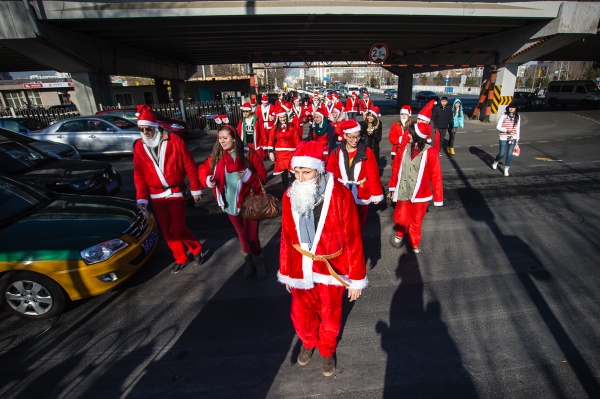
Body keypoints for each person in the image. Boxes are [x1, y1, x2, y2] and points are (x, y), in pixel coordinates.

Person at [278, 140, 367, 377]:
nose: (300, 177)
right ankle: (309, 342)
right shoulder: (290, 196)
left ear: (319, 170)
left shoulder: (340, 195)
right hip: (300, 268)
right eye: (296, 171)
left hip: (331, 270)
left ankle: (327, 350)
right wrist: (286, 271)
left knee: (330, 318)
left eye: (305, 172)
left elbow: (353, 238)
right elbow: (286, 236)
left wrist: (356, 278)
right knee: (300, 317)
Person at [133, 104, 206, 274]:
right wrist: (141, 199)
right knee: (167, 231)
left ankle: (196, 248)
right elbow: (138, 175)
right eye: (142, 129)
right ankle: (180, 258)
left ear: (155, 126)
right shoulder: (138, 147)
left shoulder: (174, 141)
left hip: (175, 192)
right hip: (156, 194)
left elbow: (189, 165)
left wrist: (196, 189)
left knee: (177, 228)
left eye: (148, 128)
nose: (146, 132)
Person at [198, 124, 268, 278]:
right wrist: (208, 179)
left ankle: (258, 260)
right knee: (242, 235)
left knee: (252, 236)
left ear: (234, 139)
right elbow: (203, 170)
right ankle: (248, 260)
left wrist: (250, 177)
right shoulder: (217, 156)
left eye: (225, 138)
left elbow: (263, 175)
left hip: (250, 203)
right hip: (229, 203)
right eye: (220, 138)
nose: (222, 141)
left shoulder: (248, 153)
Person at [388, 121, 443, 254]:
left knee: (416, 221)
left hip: (421, 194)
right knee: (401, 217)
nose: (408, 136)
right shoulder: (404, 148)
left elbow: (436, 175)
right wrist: (392, 187)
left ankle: (414, 242)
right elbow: (395, 168)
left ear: (417, 135)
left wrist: (438, 197)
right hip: (404, 189)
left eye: (411, 134)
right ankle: (400, 233)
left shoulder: (430, 152)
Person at [327, 119, 383, 234]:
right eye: (351, 137)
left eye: (357, 137)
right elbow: (329, 174)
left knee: (358, 226)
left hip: (360, 193)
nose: (355, 140)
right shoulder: (336, 153)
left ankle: (357, 247)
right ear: (345, 136)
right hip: (341, 193)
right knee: (341, 225)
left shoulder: (366, 152)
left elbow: (373, 174)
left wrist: (376, 193)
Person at [266, 107, 301, 190]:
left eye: (284, 117)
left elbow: (297, 139)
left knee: (293, 171)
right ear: (278, 118)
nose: (283, 119)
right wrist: (270, 151)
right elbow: (271, 138)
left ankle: (293, 188)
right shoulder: (275, 127)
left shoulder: (292, 126)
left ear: (286, 116)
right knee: (283, 173)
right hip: (280, 153)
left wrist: (299, 151)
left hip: (291, 152)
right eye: (281, 117)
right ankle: (286, 189)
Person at [492, 102, 520, 176]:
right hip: (503, 136)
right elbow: (498, 127)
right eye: (510, 107)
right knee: (502, 153)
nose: (511, 109)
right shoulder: (504, 115)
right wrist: (506, 130)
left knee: (509, 154)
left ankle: (506, 169)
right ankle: (496, 161)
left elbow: (518, 128)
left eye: (513, 107)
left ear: (516, 108)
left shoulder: (517, 116)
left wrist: (517, 138)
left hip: (513, 137)